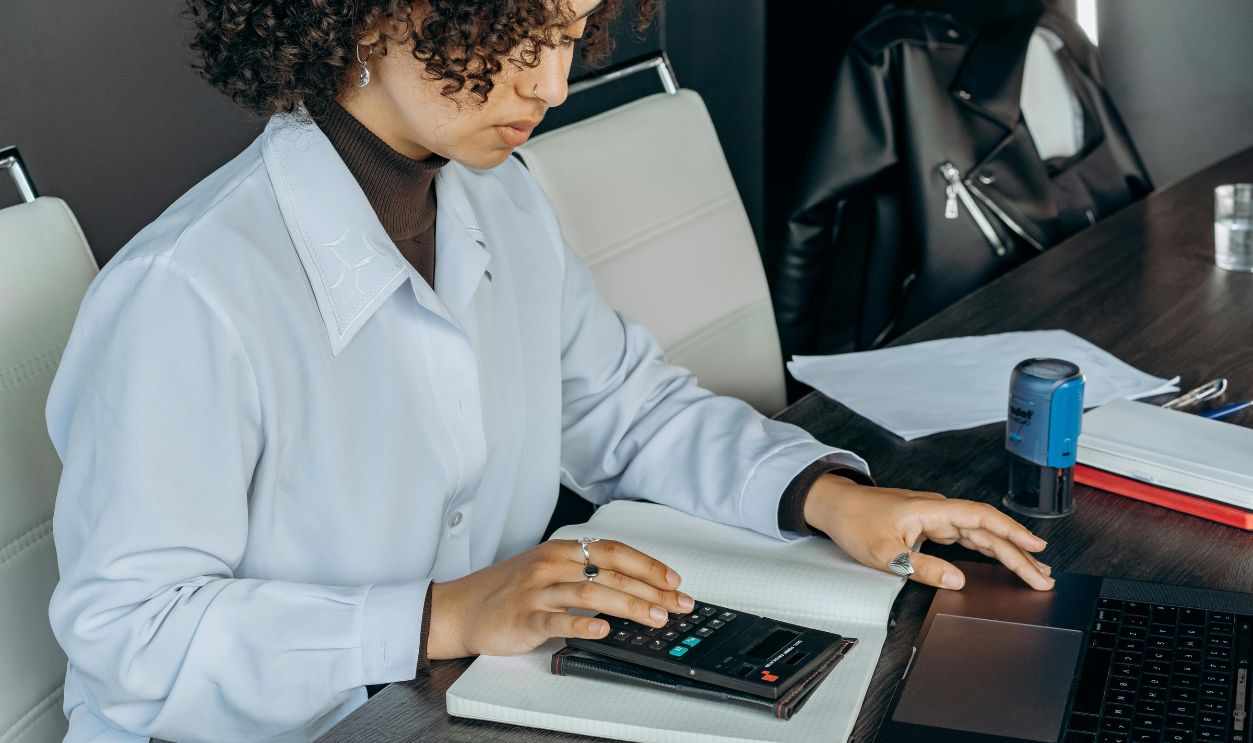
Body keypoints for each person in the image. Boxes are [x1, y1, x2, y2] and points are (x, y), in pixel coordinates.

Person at [45, 0, 1054, 740]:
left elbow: (623, 407)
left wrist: (821, 494)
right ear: (364, 16)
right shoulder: (188, 291)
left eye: (571, 33)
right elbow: (133, 638)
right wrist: (441, 612)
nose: (551, 83)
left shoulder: (500, 204)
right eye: (519, 31)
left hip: (462, 698)